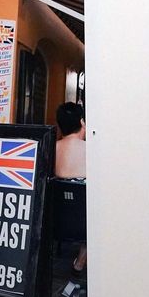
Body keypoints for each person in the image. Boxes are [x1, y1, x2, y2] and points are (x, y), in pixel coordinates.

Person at [54, 102, 87, 275]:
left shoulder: (51, 148)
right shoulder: (91, 150)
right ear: (82, 122)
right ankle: (79, 263)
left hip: (54, 222)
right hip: (85, 224)